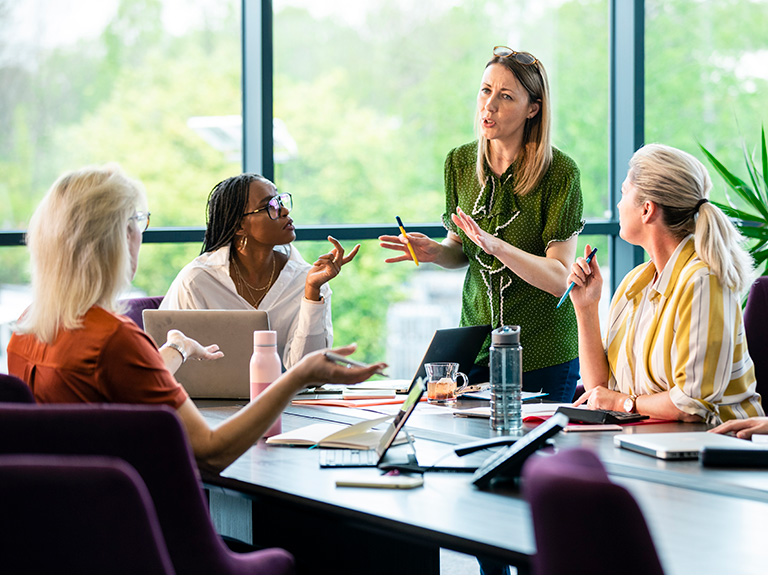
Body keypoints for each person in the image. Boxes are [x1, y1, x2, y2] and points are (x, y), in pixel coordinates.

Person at [6, 164, 386, 474]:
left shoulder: (24, 332)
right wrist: (300, 375)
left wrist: (176, 348)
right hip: (150, 537)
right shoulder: (114, 341)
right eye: (137, 222)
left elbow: (126, 387)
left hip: (66, 532)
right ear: (117, 238)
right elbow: (210, 452)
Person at [380, 46, 583, 403]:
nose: (489, 105)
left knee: (535, 457)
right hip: (478, 349)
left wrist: (498, 246)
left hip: (542, 352)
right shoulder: (459, 163)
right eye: (486, 90)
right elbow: (460, 249)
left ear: (533, 109)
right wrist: (437, 253)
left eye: (506, 96)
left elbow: (559, 279)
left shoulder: (560, 174)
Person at [568, 143, 764, 424]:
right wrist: (586, 308)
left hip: (715, 448)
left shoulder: (703, 282)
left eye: (624, 193)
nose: (619, 204)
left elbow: (690, 404)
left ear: (647, 209)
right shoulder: (635, 283)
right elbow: (599, 387)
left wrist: (625, 403)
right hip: (648, 440)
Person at [161, 173, 359, 369]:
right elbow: (173, 366)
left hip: (289, 400)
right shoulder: (197, 281)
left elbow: (308, 370)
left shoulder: (307, 279)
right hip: (209, 401)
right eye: (270, 206)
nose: (284, 211)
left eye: (281, 201)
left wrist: (312, 292)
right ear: (239, 226)